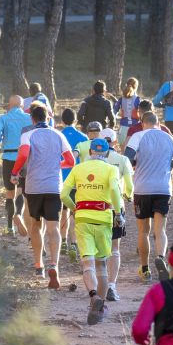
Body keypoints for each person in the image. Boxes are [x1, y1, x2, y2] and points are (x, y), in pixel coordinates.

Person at [61, 138, 124, 325]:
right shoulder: (111, 169)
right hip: (103, 218)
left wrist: (73, 208)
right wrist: (117, 212)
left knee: (87, 263)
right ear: (105, 153)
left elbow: (63, 194)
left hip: (82, 218)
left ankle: (93, 297)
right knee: (102, 264)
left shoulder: (78, 168)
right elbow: (114, 189)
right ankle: (101, 306)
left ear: (89, 151)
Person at [11, 104, 75, 287]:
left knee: (36, 226)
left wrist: (15, 172)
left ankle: (38, 264)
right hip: (54, 187)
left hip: (34, 187)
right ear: (48, 118)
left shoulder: (28, 135)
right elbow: (70, 160)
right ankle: (54, 264)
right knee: (53, 228)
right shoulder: (58, 134)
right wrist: (56, 165)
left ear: (32, 119)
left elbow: (23, 154)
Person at [125, 111, 173, 283]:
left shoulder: (138, 136)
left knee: (143, 231)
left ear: (143, 123)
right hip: (163, 189)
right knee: (160, 230)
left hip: (142, 189)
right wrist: (165, 162)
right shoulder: (169, 138)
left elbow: (127, 158)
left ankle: (145, 269)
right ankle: (160, 257)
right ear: (158, 124)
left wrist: (139, 162)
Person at [99, 127, 134, 301]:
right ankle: (112, 285)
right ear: (114, 142)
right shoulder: (122, 159)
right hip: (115, 207)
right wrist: (128, 196)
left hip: (95, 207)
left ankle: (100, 284)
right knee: (115, 248)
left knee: (98, 247)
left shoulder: (91, 160)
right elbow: (129, 185)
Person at [0, 95, 30, 237]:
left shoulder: (4, 118)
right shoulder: (28, 118)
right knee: (20, 190)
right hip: (24, 158)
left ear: (9, 105)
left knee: (9, 192)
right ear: (22, 105)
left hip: (8, 157)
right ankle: (19, 213)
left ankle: (9, 227)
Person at [59, 108, 88, 262]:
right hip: (77, 180)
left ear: (62, 121)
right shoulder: (83, 137)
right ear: (75, 120)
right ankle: (74, 243)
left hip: (60, 180)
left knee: (63, 212)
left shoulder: (58, 136)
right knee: (76, 211)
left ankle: (63, 241)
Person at [116, 77, 142, 148]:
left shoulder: (121, 99)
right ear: (136, 87)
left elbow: (114, 110)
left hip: (123, 128)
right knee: (134, 151)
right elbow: (143, 114)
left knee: (123, 151)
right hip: (135, 128)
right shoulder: (138, 99)